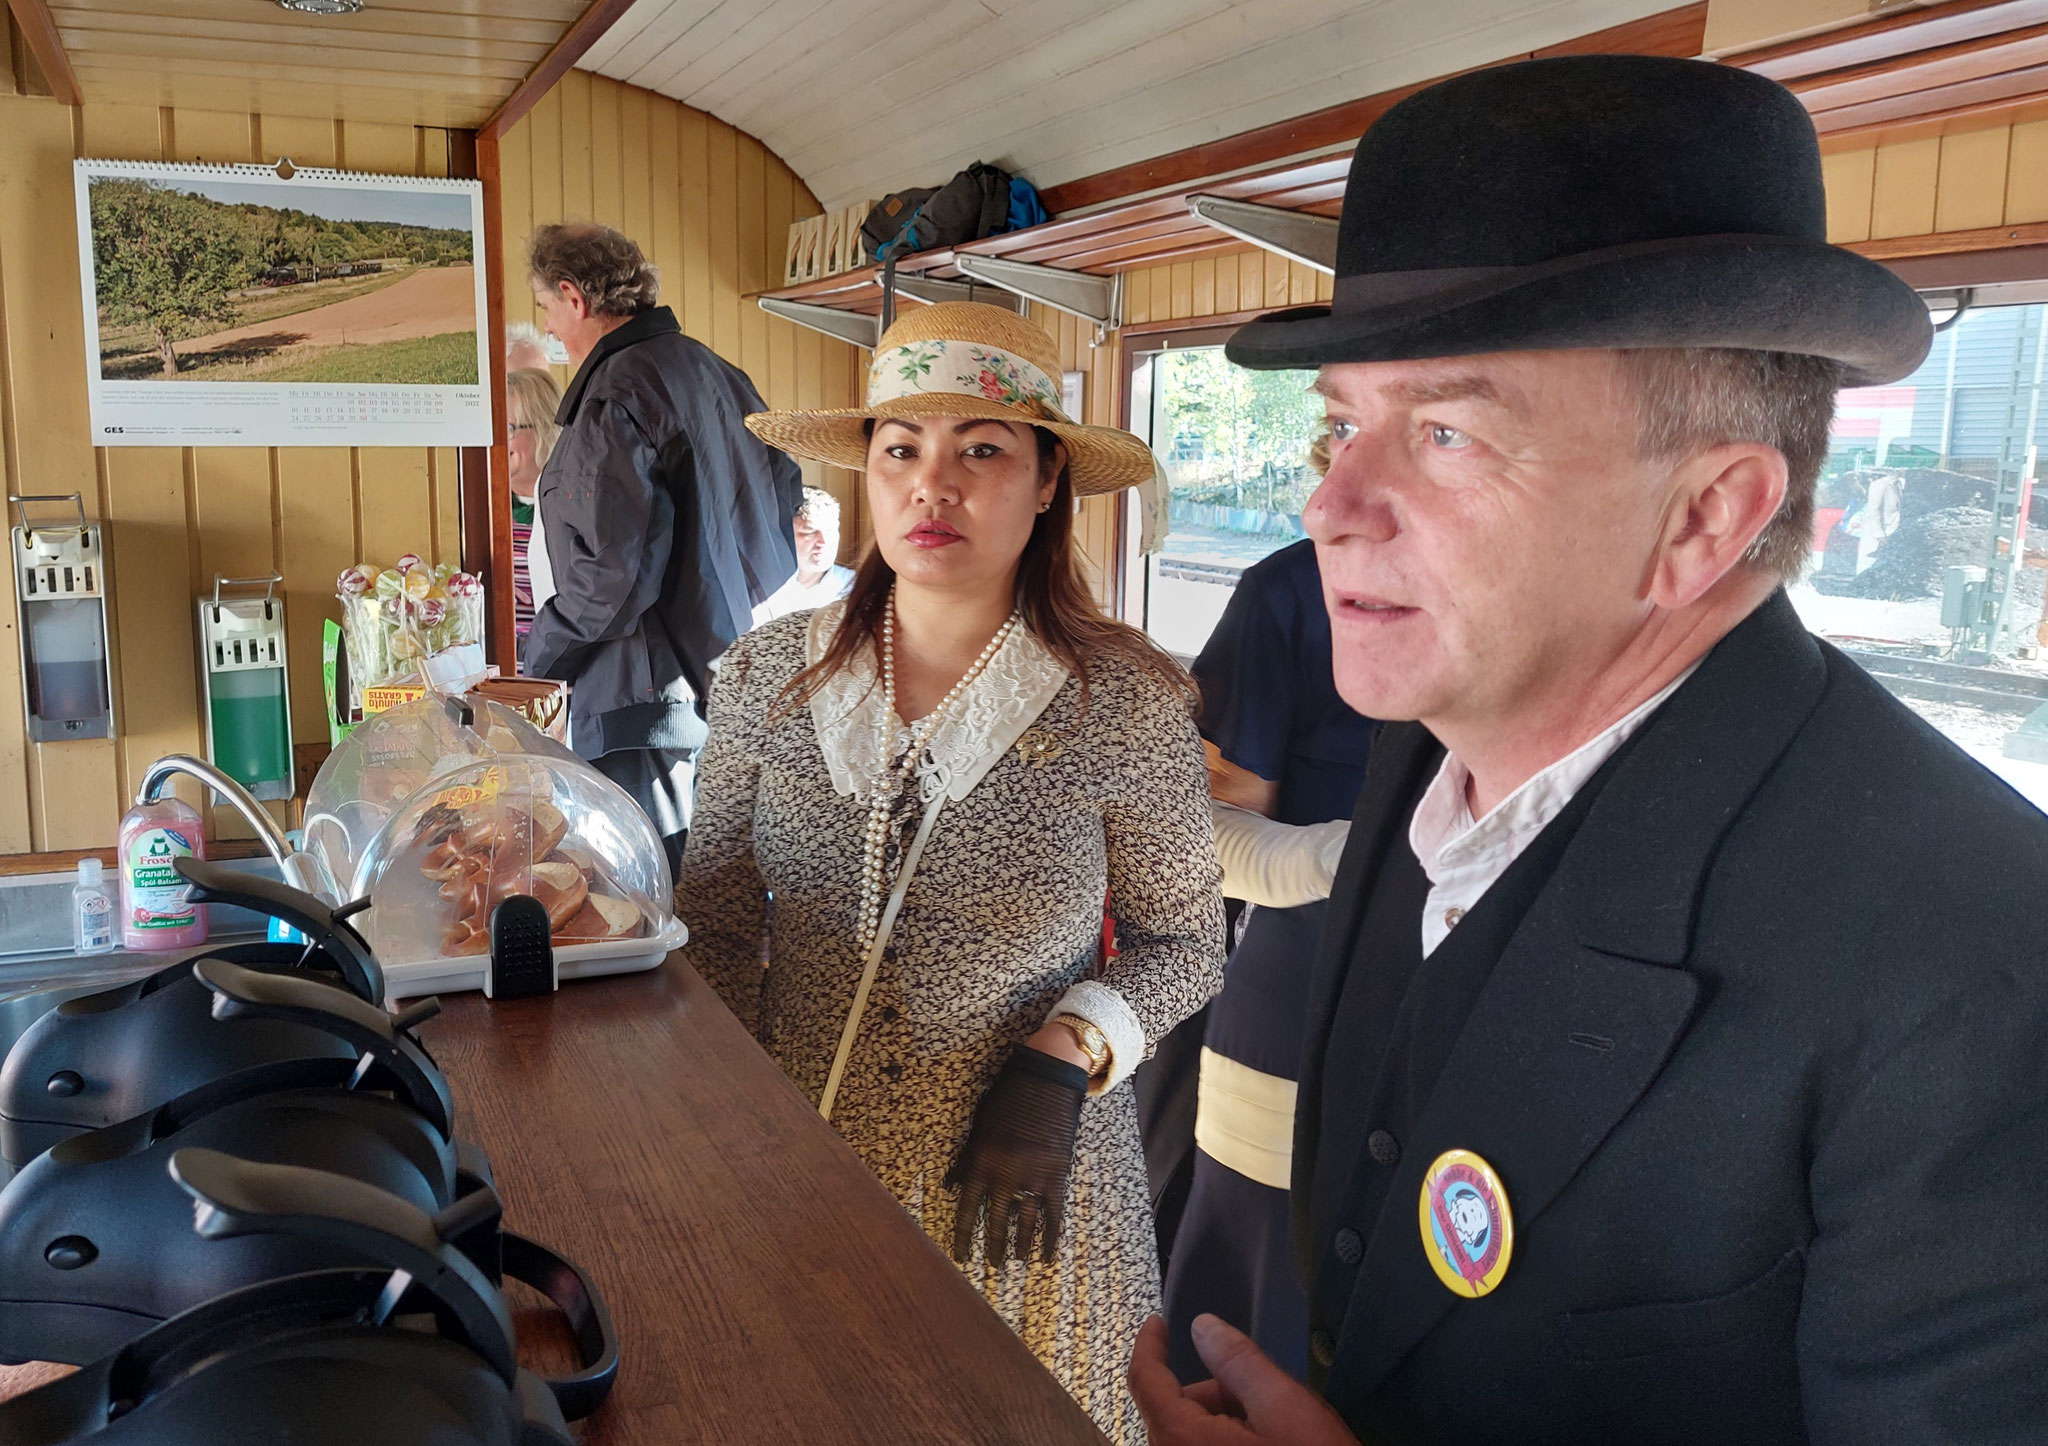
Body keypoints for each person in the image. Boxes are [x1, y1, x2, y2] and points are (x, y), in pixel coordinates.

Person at [1130, 55, 2048, 1445]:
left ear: (1705, 517)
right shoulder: (1418, 763)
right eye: (1342, 424)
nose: (1329, 502)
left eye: (1443, 432)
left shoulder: (1977, 964)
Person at [679, 301, 1226, 1443]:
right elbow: (715, 917)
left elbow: (1186, 942)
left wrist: (1066, 1056)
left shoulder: (1123, 699)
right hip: (806, 1169)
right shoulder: (766, 677)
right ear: (866, 479)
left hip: (1026, 1186)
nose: (934, 486)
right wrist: (725, 1129)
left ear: (1043, 486)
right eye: (901, 450)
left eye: (981, 448)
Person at [1159, 536, 1376, 1385]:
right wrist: (1362, 859)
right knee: (1259, 1298)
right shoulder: (1291, 590)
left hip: (1505, 983)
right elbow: (1207, 824)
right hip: (1303, 968)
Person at [522, 222, 802, 877]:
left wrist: (541, 657)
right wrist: (713, 596)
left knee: (645, 903)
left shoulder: (615, 394)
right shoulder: (718, 373)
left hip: (639, 700)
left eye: (545, 311)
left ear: (573, 298)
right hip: (719, 681)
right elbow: (784, 510)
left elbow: (609, 577)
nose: (551, 331)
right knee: (704, 896)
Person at [505, 365, 561, 647]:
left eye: (509, 428)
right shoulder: (485, 515)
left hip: (561, 672)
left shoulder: (572, 508)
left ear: (542, 427)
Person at [752, 485, 855, 625]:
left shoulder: (854, 588)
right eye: (810, 532)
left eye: (830, 530)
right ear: (783, 535)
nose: (823, 542)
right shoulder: (758, 589)